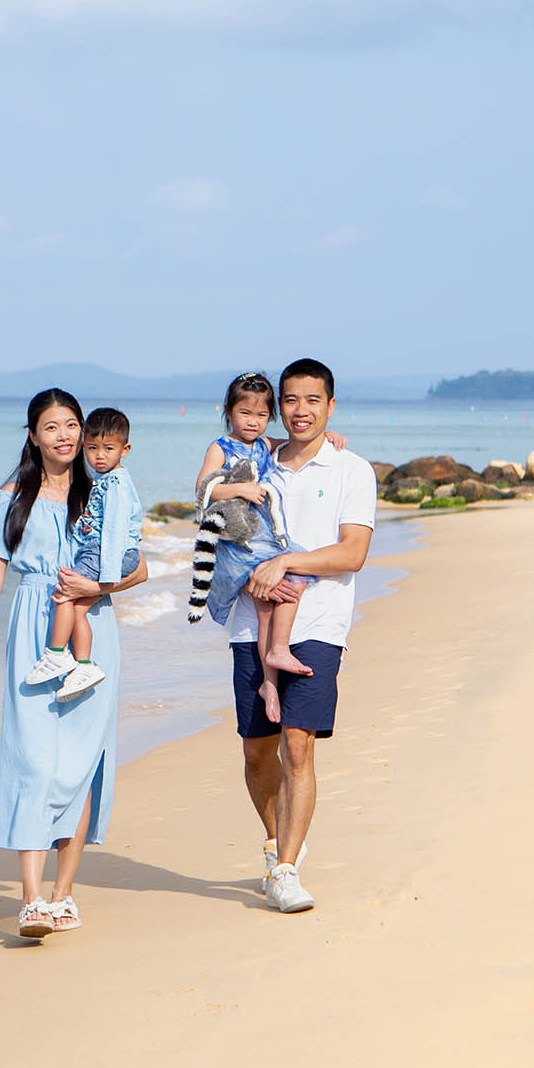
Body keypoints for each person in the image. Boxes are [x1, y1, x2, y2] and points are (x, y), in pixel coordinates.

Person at [0, 390, 149, 937]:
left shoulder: (104, 487)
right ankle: (30, 898)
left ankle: (63, 894)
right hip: (33, 627)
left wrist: (97, 586)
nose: (66, 436)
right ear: (33, 435)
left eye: (72, 425)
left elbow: (140, 566)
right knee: (33, 758)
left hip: (94, 624)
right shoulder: (12, 496)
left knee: (82, 759)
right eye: (53, 427)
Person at [232, 359, 375, 914]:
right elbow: (219, 520)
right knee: (255, 752)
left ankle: (287, 870)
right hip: (251, 621)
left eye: (312, 401)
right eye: (290, 401)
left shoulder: (350, 469)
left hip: (319, 622)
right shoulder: (256, 461)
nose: (301, 411)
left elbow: (353, 553)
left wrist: (288, 561)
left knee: (298, 743)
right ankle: (275, 841)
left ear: (330, 406)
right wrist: (244, 572)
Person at [187, 372, 320, 725]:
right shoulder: (220, 447)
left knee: (297, 573)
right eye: (245, 413)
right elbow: (203, 489)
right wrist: (241, 490)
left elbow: (296, 440)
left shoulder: (264, 444)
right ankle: (271, 678)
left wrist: (328, 436)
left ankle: (275, 660)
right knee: (265, 602)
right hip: (234, 531)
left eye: (261, 416)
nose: (253, 422)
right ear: (228, 411)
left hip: (261, 528)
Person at [23, 407, 143, 703]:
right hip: (102, 552)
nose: (99, 456)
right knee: (77, 610)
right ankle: (85, 665)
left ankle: (57, 653)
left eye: (108, 449)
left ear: (125, 450)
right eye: (92, 448)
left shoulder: (115, 484)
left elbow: (114, 530)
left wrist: (107, 577)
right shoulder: (105, 480)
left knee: (65, 593)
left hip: (107, 555)